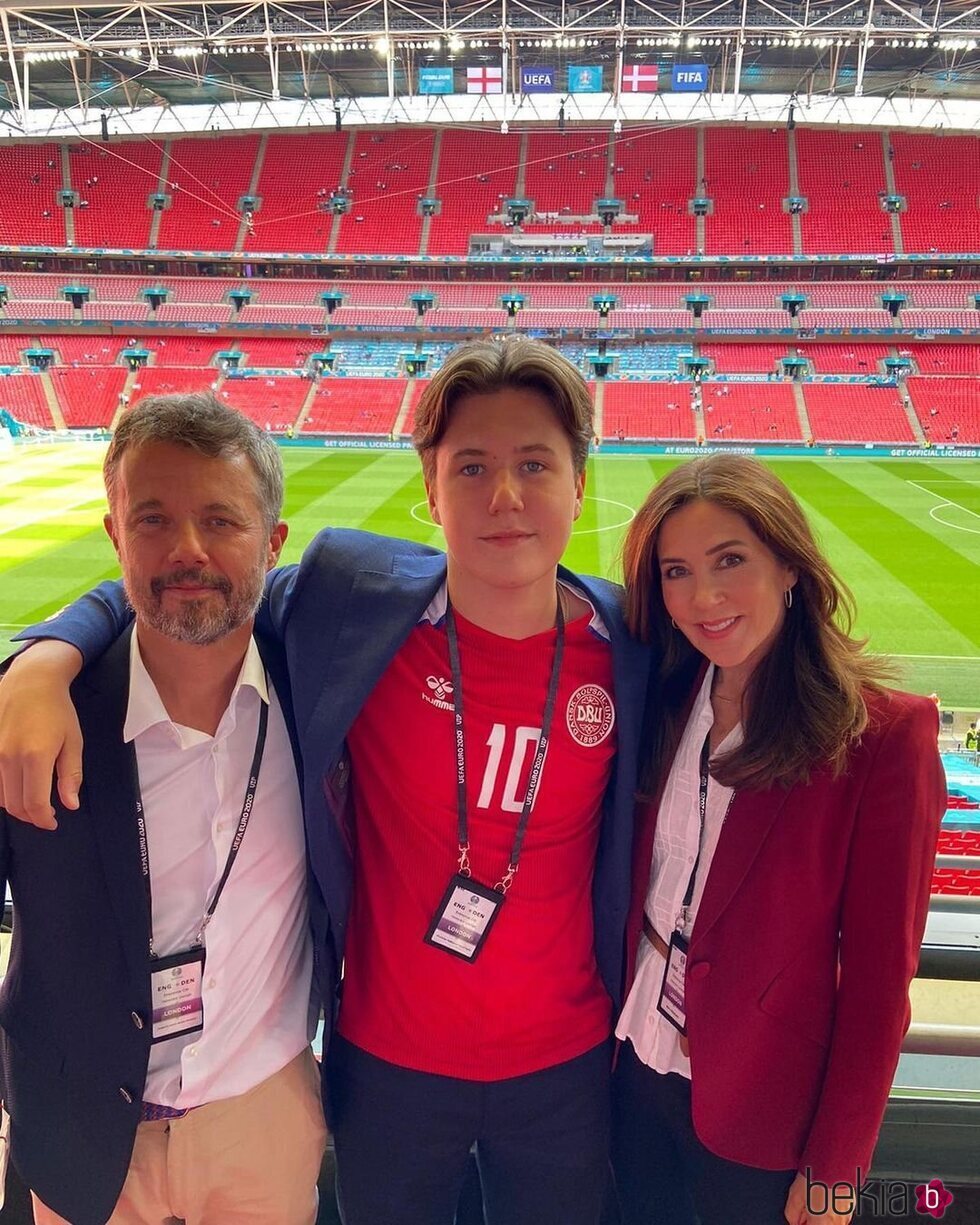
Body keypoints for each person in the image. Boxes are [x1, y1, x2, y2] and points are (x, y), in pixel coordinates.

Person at [0, 339, 649, 1225]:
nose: (503, 496)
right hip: (373, 1071)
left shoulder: (636, 650)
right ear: (430, 487)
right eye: (472, 466)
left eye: (534, 464)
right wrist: (41, 658)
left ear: (582, 482)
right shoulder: (355, 614)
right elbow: (176, 589)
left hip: (549, 1070)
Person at [0, 394, 327, 1225]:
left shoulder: (318, 688)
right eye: (152, 519)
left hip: (263, 1117)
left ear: (274, 542)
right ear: (114, 535)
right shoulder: (37, 717)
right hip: (80, 1140)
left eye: (222, 520)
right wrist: (40, 661)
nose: (188, 551)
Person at [611, 454, 945, 1225]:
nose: (705, 596)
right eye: (677, 570)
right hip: (629, 1065)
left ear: (789, 564)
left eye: (731, 560)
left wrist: (836, 1175)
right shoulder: (660, 688)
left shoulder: (881, 736)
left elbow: (876, 986)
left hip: (762, 1110)